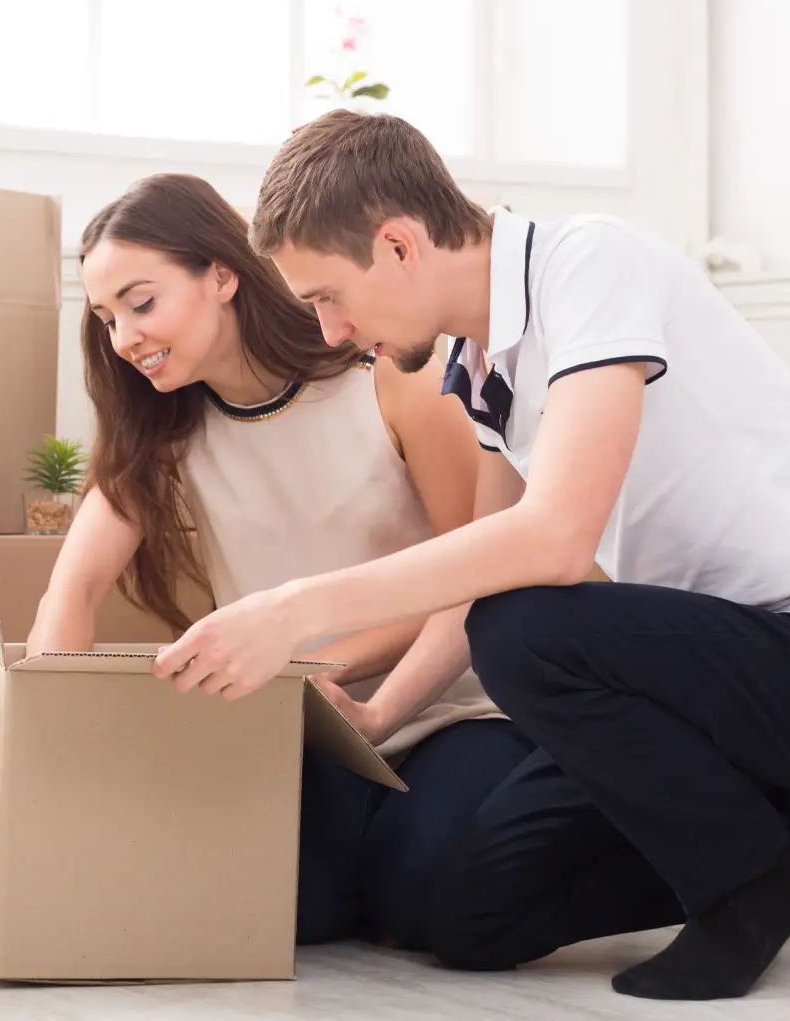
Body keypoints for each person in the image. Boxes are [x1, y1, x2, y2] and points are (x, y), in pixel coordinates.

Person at [153, 112, 790, 1001]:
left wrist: (293, 607)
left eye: (329, 295)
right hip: (717, 687)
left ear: (399, 245)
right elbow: (478, 566)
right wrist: (377, 718)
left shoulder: (591, 265)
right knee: (457, 910)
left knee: (524, 627)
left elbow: (555, 537)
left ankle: (752, 882)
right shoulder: (484, 366)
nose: (328, 330)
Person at [29, 171, 530, 951]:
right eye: (105, 317)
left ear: (222, 275)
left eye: (141, 301)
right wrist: (51, 741)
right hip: (303, 725)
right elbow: (75, 585)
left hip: (447, 707)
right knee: (292, 910)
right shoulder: (161, 426)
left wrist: (331, 669)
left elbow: (479, 577)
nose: (123, 337)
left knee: (434, 896)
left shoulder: (390, 380)